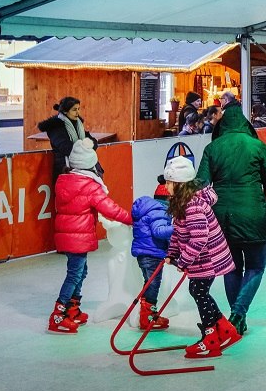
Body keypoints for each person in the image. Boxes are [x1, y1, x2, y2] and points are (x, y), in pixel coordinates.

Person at [196, 95, 266, 336]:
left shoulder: (212, 148)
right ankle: (238, 313)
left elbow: (201, 183)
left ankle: (236, 316)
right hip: (253, 215)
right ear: (245, 124)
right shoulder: (257, 146)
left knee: (231, 268)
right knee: (256, 267)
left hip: (221, 218)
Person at [47, 138, 132, 334]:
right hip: (78, 237)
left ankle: (73, 310)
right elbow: (108, 208)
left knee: (80, 271)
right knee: (75, 274)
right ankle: (58, 316)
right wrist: (130, 218)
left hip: (67, 236)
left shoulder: (64, 180)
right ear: (90, 163)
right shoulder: (89, 185)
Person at [162, 156, 241, 359]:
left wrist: (183, 260)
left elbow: (199, 238)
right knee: (198, 290)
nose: (166, 187)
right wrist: (172, 253)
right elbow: (179, 233)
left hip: (209, 258)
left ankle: (211, 337)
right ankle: (223, 329)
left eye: (169, 183)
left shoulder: (193, 206)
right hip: (202, 258)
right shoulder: (182, 204)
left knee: (198, 290)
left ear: (180, 185)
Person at [130, 181, 174, 331]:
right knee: (153, 283)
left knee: (150, 283)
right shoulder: (161, 210)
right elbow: (159, 231)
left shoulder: (151, 208)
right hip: (151, 252)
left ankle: (149, 314)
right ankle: (147, 317)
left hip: (145, 251)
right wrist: (178, 228)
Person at [38, 96, 101, 180]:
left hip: (88, 169)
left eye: (78, 109)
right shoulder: (56, 127)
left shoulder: (78, 125)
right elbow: (67, 148)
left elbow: (93, 143)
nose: (78, 113)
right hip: (67, 171)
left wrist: (89, 144)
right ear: (65, 111)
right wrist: (87, 145)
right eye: (74, 110)